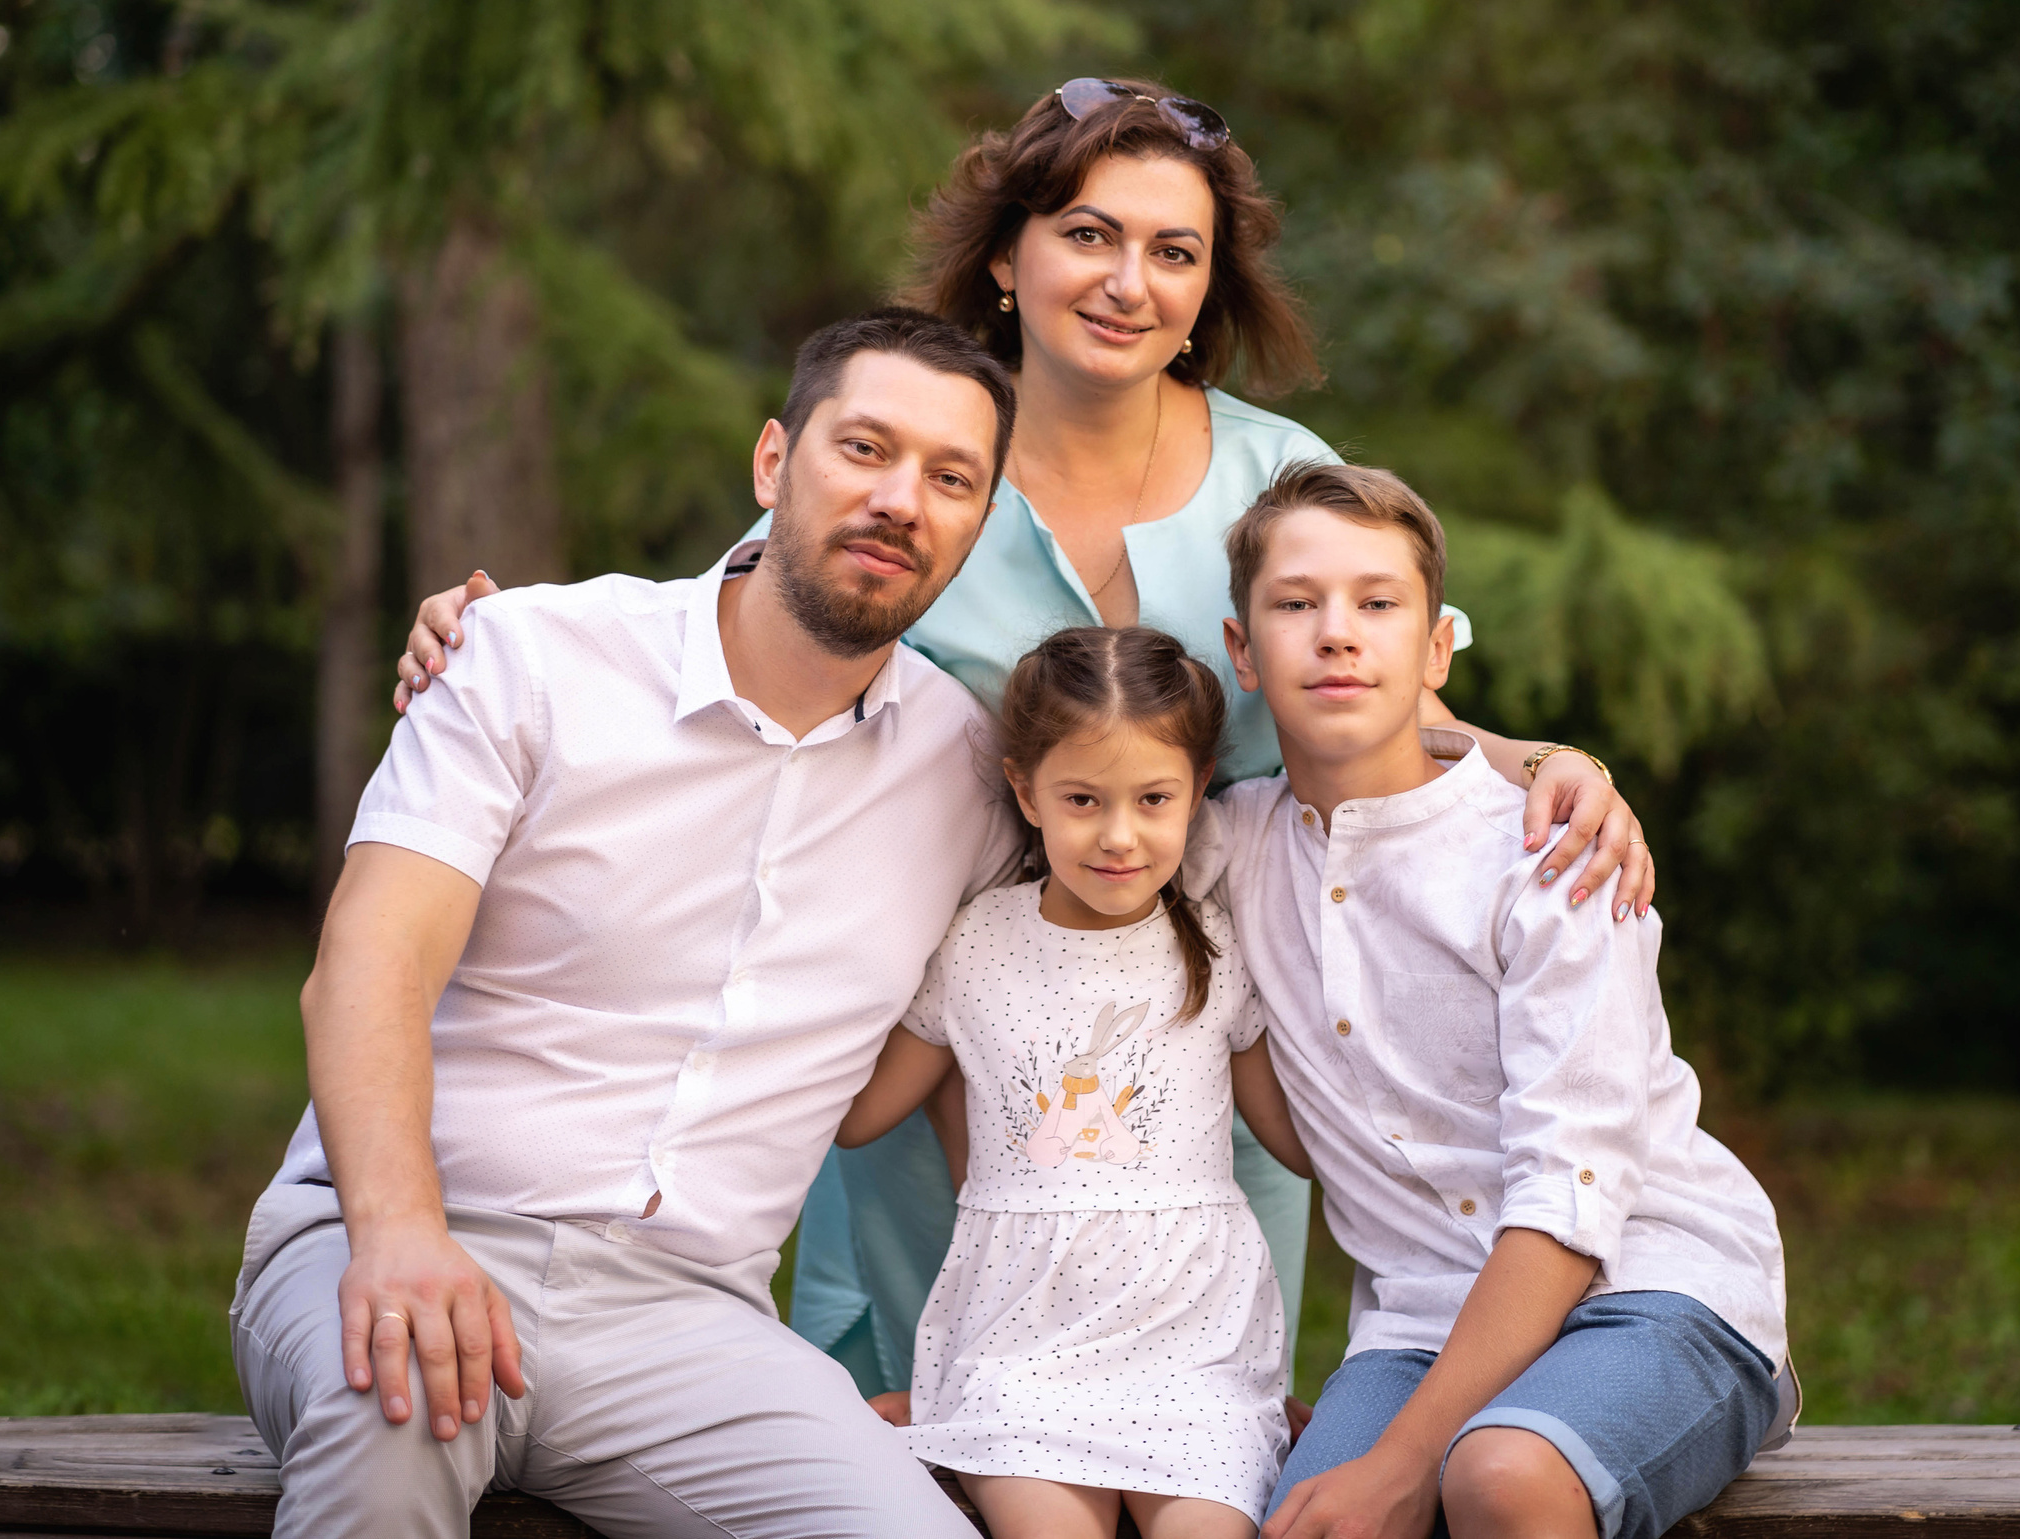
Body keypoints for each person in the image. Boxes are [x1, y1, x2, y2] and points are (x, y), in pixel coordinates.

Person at [389, 77, 1663, 1402]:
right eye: (1089, 234)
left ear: (1207, 290)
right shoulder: (924, 458)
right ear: (1008, 257)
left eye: (1175, 251)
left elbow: (1379, 707)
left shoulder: (1274, 474)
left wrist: (1552, 763)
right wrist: (491, 632)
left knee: (1177, 1437)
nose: (1129, 280)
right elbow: (717, 638)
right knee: (924, 1427)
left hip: (1198, 1055)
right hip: (948, 1039)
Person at [229, 310, 1030, 1539]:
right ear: (774, 461)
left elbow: (1146, 876)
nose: (899, 500)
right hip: (395, 1234)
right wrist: (400, 1238)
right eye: (863, 449)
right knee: (393, 1425)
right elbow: (367, 966)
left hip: (694, 1323)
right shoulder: (529, 658)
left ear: (977, 523)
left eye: (950, 478)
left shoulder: (973, 778)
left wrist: (1432, 746)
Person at [1187, 462, 1796, 1539]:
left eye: (1378, 604)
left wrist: (1402, 1462)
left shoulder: (1547, 855)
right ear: (1242, 652)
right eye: (1295, 604)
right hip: (1418, 1319)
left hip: (1644, 1287)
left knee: (1497, 1479)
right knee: (1292, 1522)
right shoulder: (1222, 849)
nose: (1336, 633)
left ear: (1435, 650)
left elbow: (1575, 1196)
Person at [837, 625, 1311, 1538]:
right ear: (1026, 789)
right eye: (1083, 798)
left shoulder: (1218, 943)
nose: (1119, 834)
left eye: (1154, 798)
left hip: (1194, 1349)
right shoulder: (975, 943)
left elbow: (1296, 1138)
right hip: (1025, 1347)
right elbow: (858, 1118)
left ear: (1199, 786)